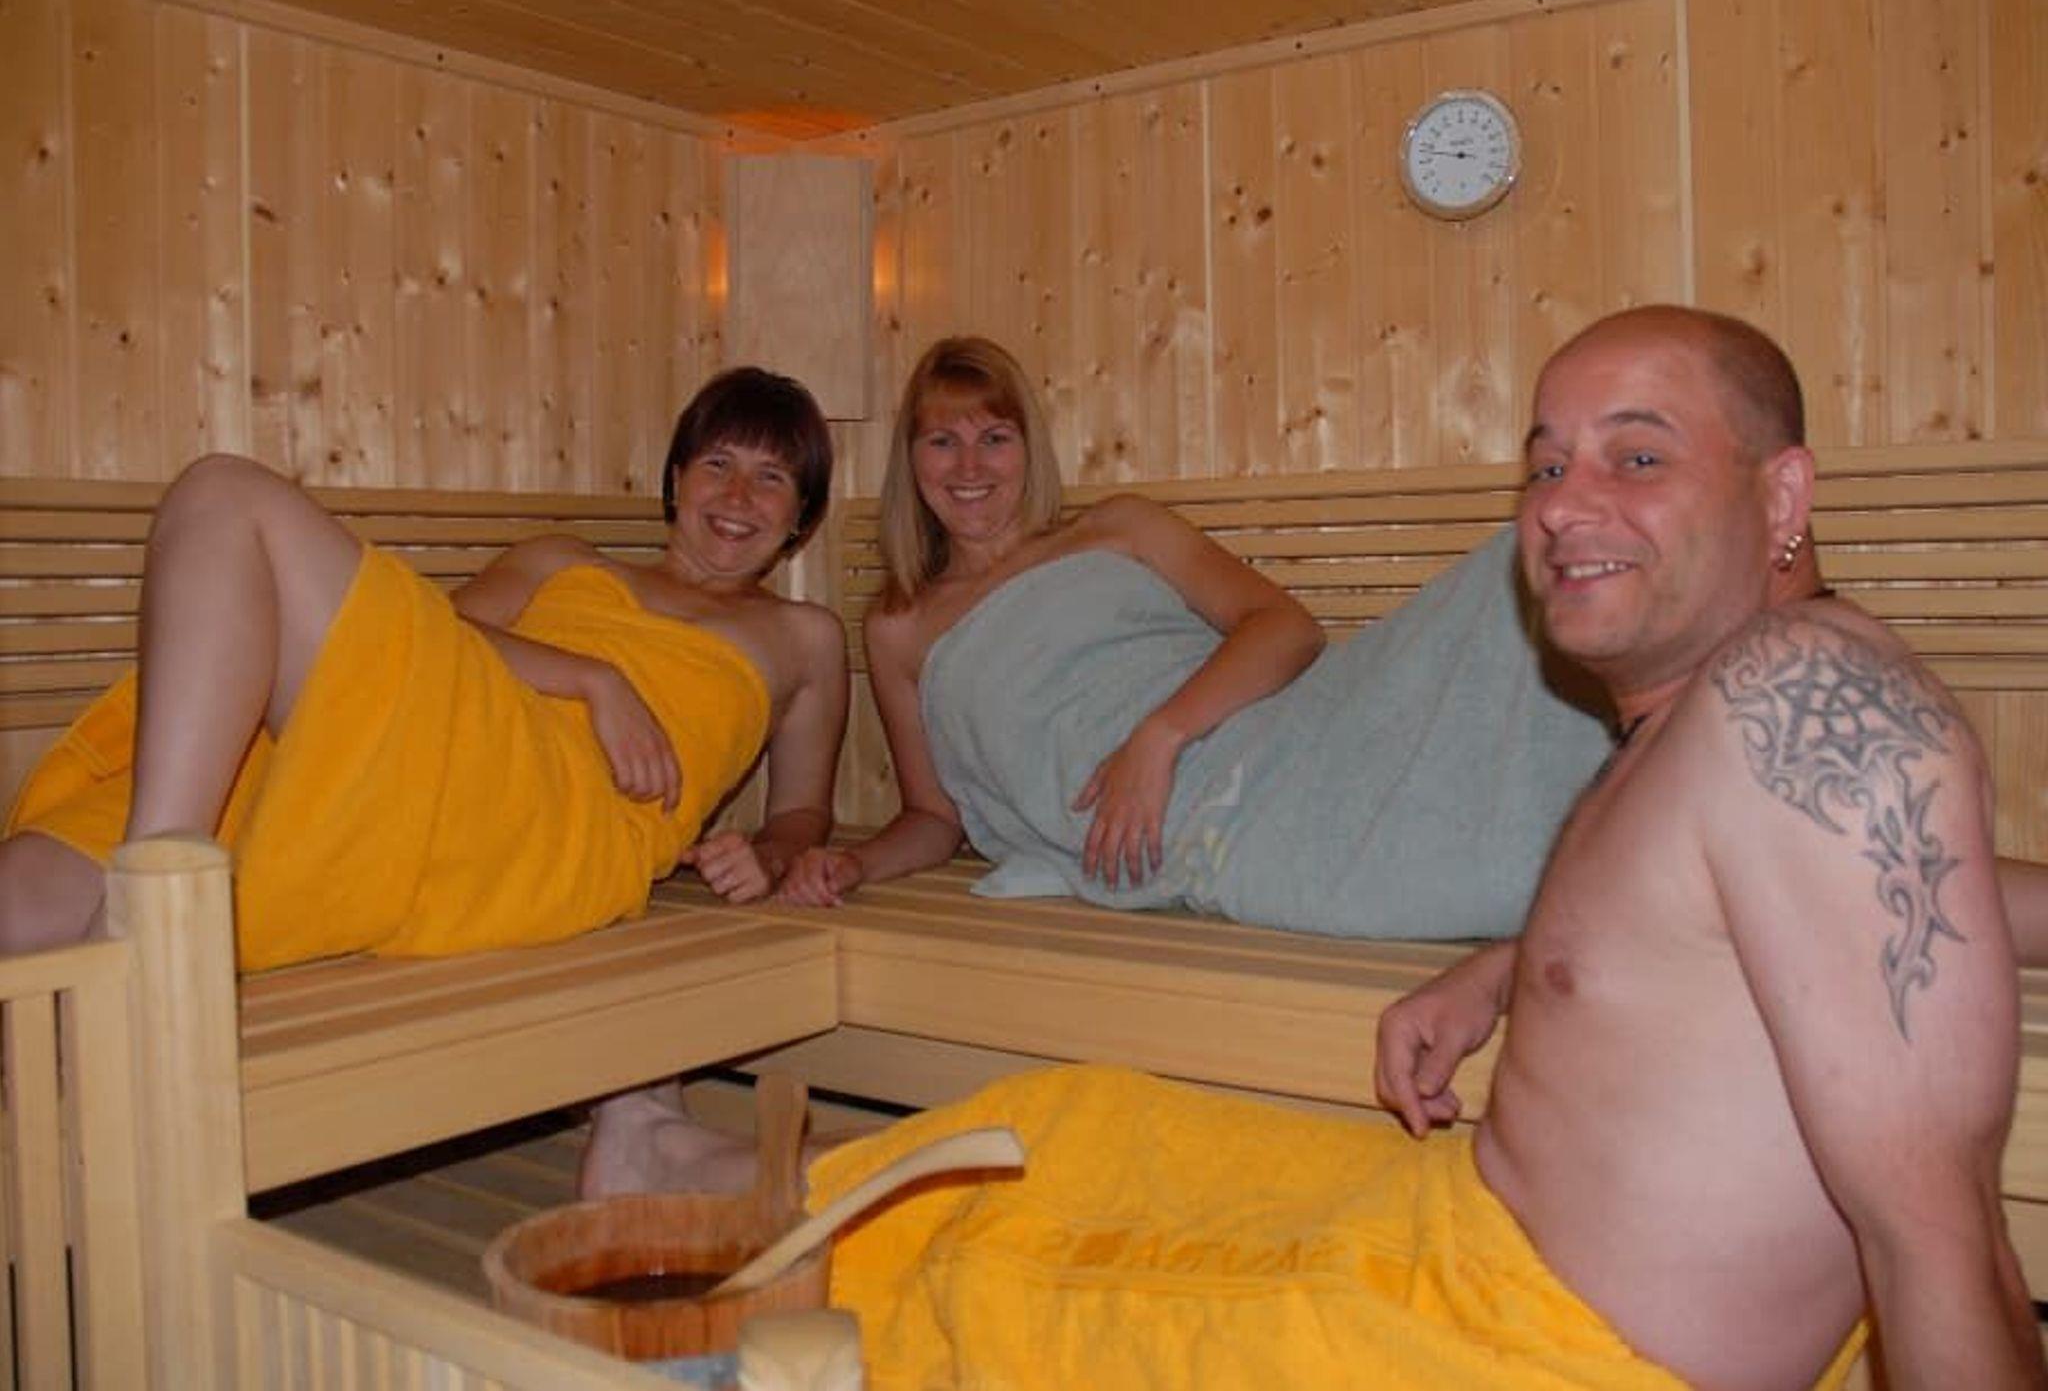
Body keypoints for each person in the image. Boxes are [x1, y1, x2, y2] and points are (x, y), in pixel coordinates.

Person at [787, 306, 2045, 1390]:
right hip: (1483, 1236)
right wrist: (1509, 966)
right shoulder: (1711, 745)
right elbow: (1878, 892)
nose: (1564, 506)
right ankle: (735, 1180)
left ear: (1781, 498)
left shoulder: (1798, 693)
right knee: (1067, 1124)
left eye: (1637, 456)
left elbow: (1940, 1242)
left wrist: (1160, 735)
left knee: (993, 1257)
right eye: (1544, 467)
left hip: (1522, 1326)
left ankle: (746, 1222)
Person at [0, 366, 847, 970]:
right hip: (415, 764)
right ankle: (155, 894)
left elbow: (802, 811)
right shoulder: (561, 561)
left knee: (222, 492)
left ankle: (155, 898)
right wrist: (595, 678)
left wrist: (768, 857)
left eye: (771, 478)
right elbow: (437, 642)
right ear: (677, 478)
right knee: (19, 901)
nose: (738, 497)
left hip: (560, 821)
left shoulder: (803, 636)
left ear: (801, 515)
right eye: (718, 465)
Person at [778, 336, 1617, 941]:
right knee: (1491, 866)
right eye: (943, 441)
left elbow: (1285, 629)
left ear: (1028, 450)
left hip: (1285, 735)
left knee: (1524, 563)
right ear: (912, 460)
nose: (970, 467)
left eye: (995, 438)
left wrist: (1158, 738)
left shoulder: (1119, 528)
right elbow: (934, 814)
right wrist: (855, 864)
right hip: (1209, 826)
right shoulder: (901, 628)